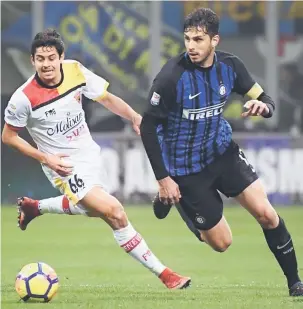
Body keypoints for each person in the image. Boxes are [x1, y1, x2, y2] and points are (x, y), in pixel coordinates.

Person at [2, 28, 190, 290]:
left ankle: (36, 207)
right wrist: (46, 159)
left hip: (89, 153)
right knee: (114, 212)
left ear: (61, 57)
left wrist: (134, 116)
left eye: (51, 57)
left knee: (92, 208)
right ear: (33, 61)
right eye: (40, 59)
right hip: (63, 166)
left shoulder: (76, 71)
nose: (46, 64)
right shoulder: (23, 99)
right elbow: (8, 137)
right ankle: (165, 274)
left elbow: (105, 98)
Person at [140, 8, 303, 296]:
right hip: (185, 168)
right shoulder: (170, 78)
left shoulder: (231, 66)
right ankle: (179, 203)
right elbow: (148, 127)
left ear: (215, 40)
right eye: (188, 39)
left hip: (222, 152)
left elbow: (264, 98)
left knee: (267, 214)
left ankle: (295, 284)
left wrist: (264, 107)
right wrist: (164, 178)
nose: (191, 45)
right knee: (221, 243)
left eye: (198, 39)